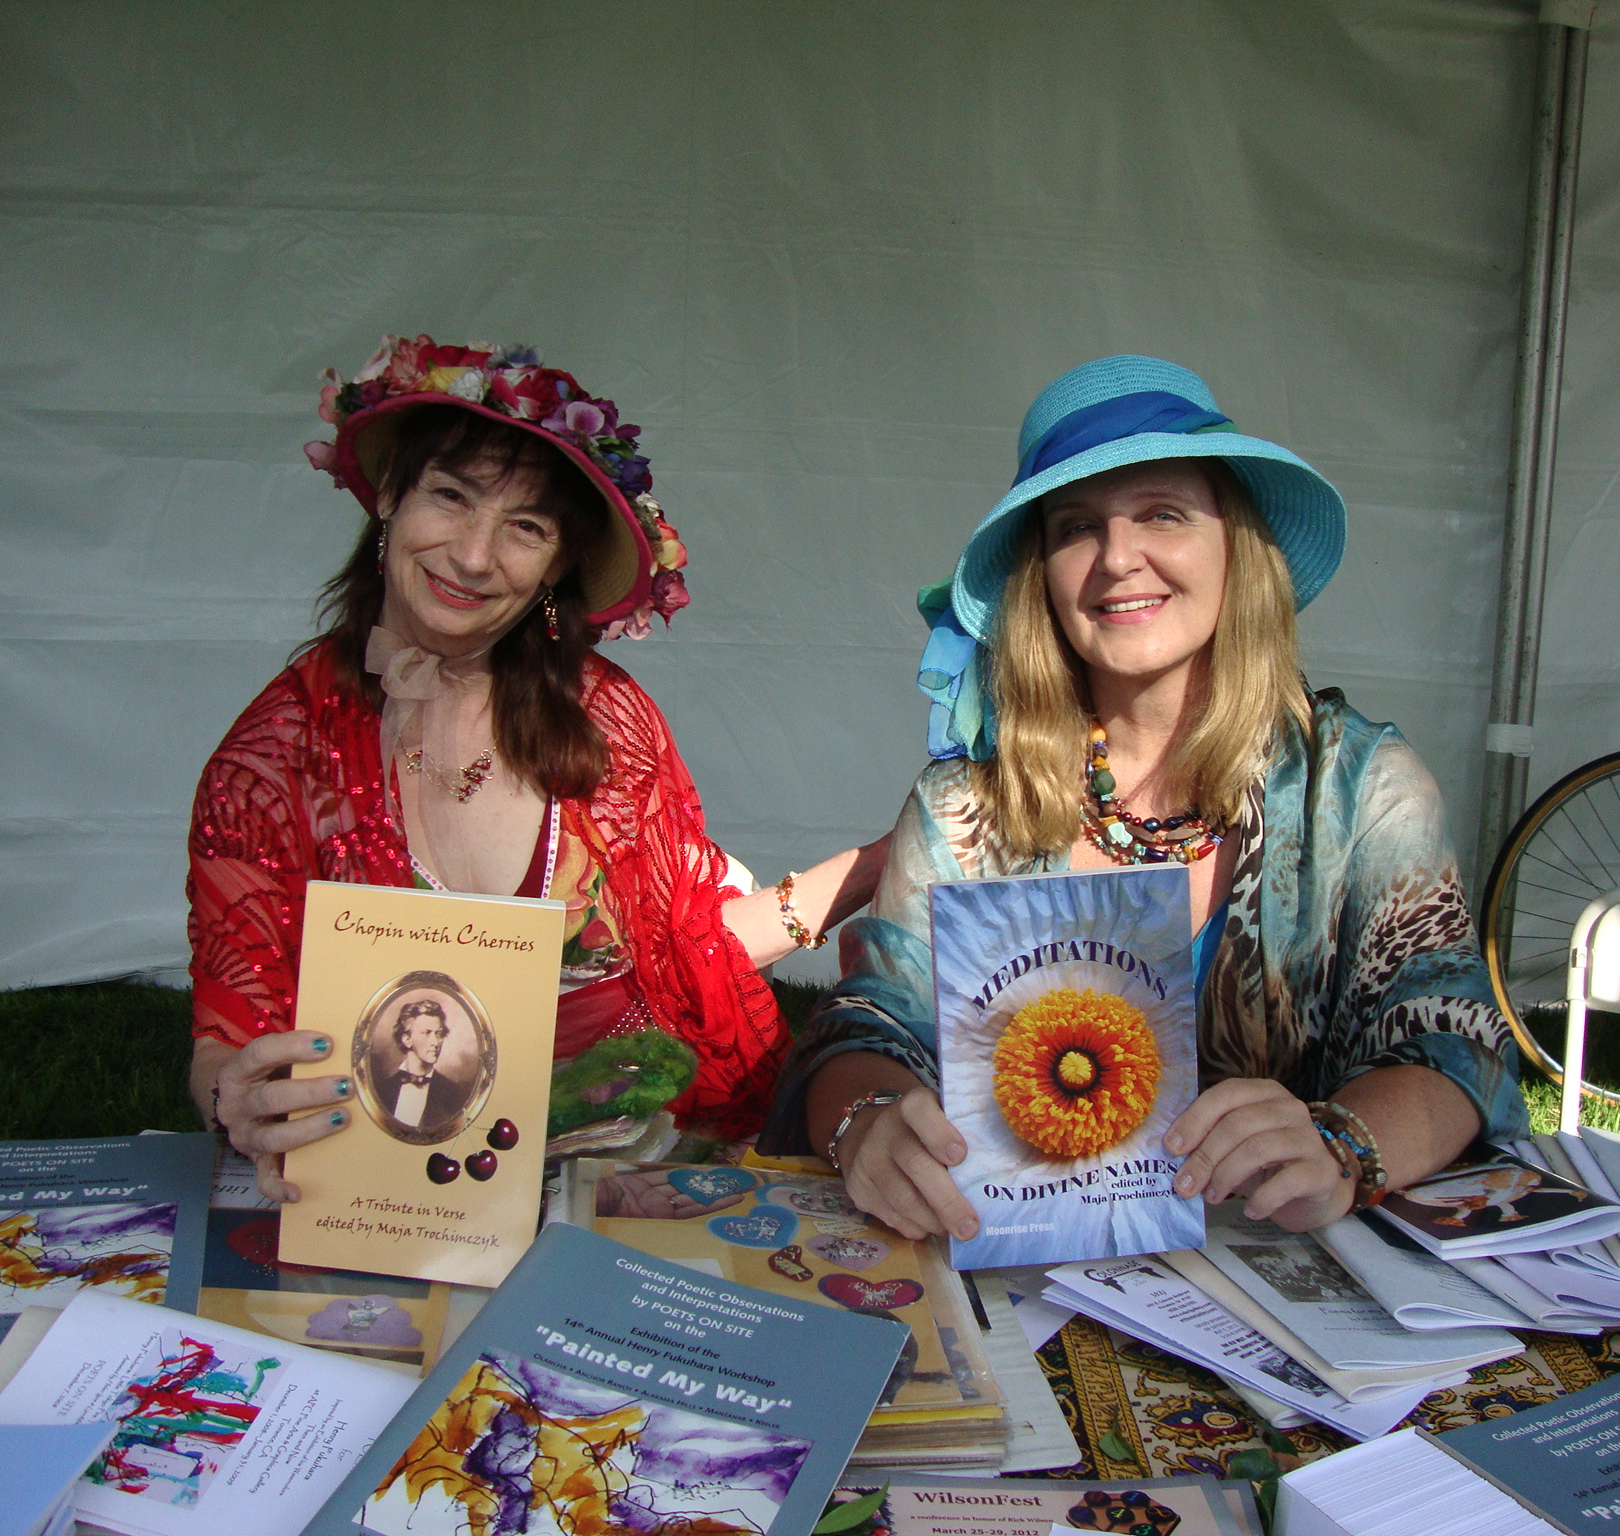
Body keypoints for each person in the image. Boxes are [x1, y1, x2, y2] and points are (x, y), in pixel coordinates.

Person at [760, 355, 1525, 1237]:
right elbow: (870, 1026)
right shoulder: (967, 810)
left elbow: (1454, 1034)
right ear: (1039, 574)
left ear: (1236, 542)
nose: (1118, 558)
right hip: (1029, 1289)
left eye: (1162, 512)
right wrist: (868, 1126)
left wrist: (1346, 1143)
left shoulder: (1360, 793)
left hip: (1292, 1278)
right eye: (1076, 526)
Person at [192, 336, 887, 1198]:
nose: (475, 556)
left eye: (526, 526)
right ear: (390, 505)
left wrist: (886, 859)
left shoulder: (606, 717)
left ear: (559, 565)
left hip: (635, 1160)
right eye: (450, 497)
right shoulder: (273, 759)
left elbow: (693, 948)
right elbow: (230, 1032)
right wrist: (235, 1097)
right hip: (399, 1191)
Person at [379, 998, 472, 1136]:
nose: (435, 1042)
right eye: (426, 1033)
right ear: (407, 1040)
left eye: (439, 1034)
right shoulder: (381, 1091)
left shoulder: (454, 1094)